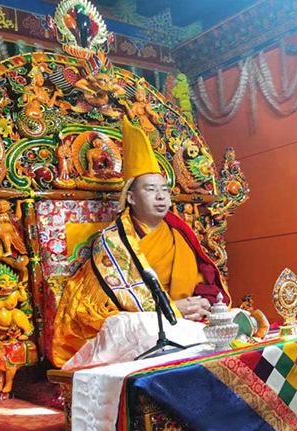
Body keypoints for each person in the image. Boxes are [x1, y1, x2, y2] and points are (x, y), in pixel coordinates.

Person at [51, 117, 229, 367]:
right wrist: (170, 309)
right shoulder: (112, 242)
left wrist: (203, 303)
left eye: (165, 190)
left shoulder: (179, 234)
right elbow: (100, 308)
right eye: (151, 190)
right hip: (148, 324)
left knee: (234, 319)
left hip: (190, 318)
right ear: (132, 198)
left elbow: (204, 281)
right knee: (137, 329)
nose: (161, 197)